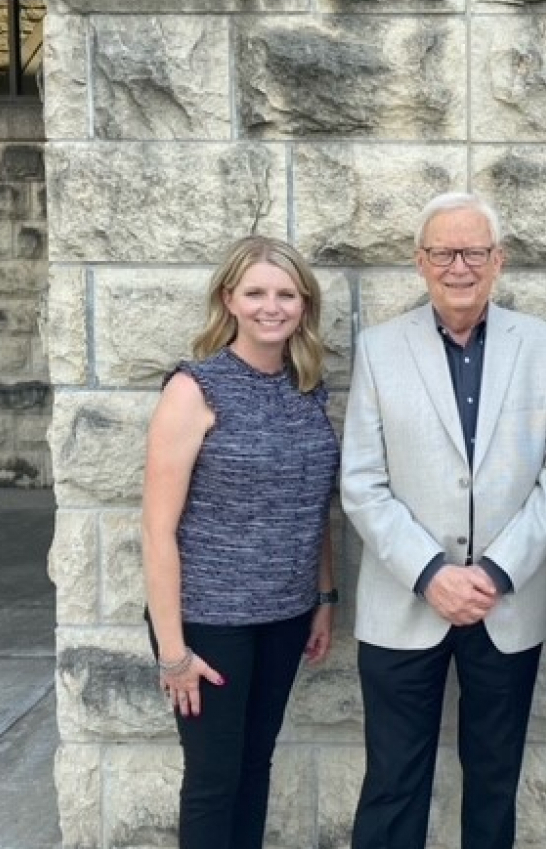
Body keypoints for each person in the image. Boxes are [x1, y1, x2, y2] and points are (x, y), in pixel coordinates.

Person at [341, 192, 546, 849]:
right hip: (403, 599)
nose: (458, 265)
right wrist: (430, 574)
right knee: (392, 782)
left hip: (508, 604)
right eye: (443, 251)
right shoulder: (378, 348)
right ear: (420, 261)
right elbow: (361, 481)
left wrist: (495, 573)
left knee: (493, 780)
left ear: (497, 260)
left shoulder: (545, 347)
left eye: (473, 250)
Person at [140, 236, 340, 849]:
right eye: (255, 292)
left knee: (256, 767)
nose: (270, 306)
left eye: (285, 293)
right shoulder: (194, 389)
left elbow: (313, 505)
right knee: (213, 778)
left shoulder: (308, 390)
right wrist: (173, 650)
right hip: (208, 622)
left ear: (304, 305)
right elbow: (156, 529)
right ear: (229, 299)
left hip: (284, 616)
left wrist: (324, 597)